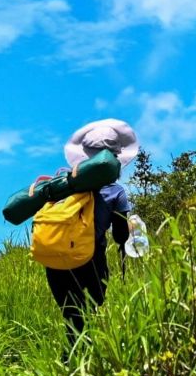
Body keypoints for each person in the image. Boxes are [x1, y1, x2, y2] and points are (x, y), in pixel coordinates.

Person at [46, 118, 138, 343]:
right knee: (89, 315)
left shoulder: (62, 183)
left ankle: (72, 365)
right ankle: (85, 366)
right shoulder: (116, 192)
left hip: (55, 261)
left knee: (72, 318)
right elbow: (120, 237)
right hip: (90, 260)